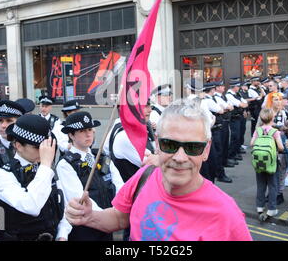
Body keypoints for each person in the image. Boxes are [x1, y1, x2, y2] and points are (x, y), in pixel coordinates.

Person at [65, 98, 252, 241]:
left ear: (206, 150)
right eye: (169, 144)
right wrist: (89, 217)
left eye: (193, 147)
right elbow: (120, 218)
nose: (180, 157)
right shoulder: (144, 177)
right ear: (157, 143)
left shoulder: (226, 215)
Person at [0, 114, 66, 241]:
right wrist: (45, 166)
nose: (44, 151)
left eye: (45, 146)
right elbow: (31, 206)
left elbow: (62, 205)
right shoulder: (3, 175)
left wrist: (63, 234)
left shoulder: (46, 169)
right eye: (37, 147)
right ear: (18, 146)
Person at [56, 111, 124, 241]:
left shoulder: (102, 157)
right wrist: (106, 218)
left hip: (108, 225)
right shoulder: (66, 164)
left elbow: (120, 186)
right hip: (85, 229)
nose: (88, 134)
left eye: (90, 129)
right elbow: (77, 196)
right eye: (82, 131)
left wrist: (117, 212)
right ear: (71, 135)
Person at [250, 108, 284, 217]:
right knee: (273, 185)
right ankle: (271, 209)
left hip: (259, 162)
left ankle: (259, 207)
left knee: (261, 185)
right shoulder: (274, 132)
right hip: (272, 163)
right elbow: (281, 147)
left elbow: (251, 144)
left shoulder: (258, 130)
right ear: (272, 118)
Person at [201, 82, 231, 183]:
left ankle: (218, 173)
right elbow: (221, 110)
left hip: (216, 128)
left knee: (218, 152)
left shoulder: (211, 99)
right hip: (214, 129)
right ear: (213, 90)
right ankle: (220, 174)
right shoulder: (208, 101)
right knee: (217, 153)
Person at [226, 78, 248, 163]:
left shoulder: (237, 93)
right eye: (238, 86)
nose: (239, 87)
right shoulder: (229, 95)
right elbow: (241, 104)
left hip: (239, 116)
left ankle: (236, 152)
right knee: (235, 137)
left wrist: (244, 105)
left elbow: (245, 103)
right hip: (234, 118)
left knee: (239, 135)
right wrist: (243, 105)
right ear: (234, 87)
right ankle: (231, 155)